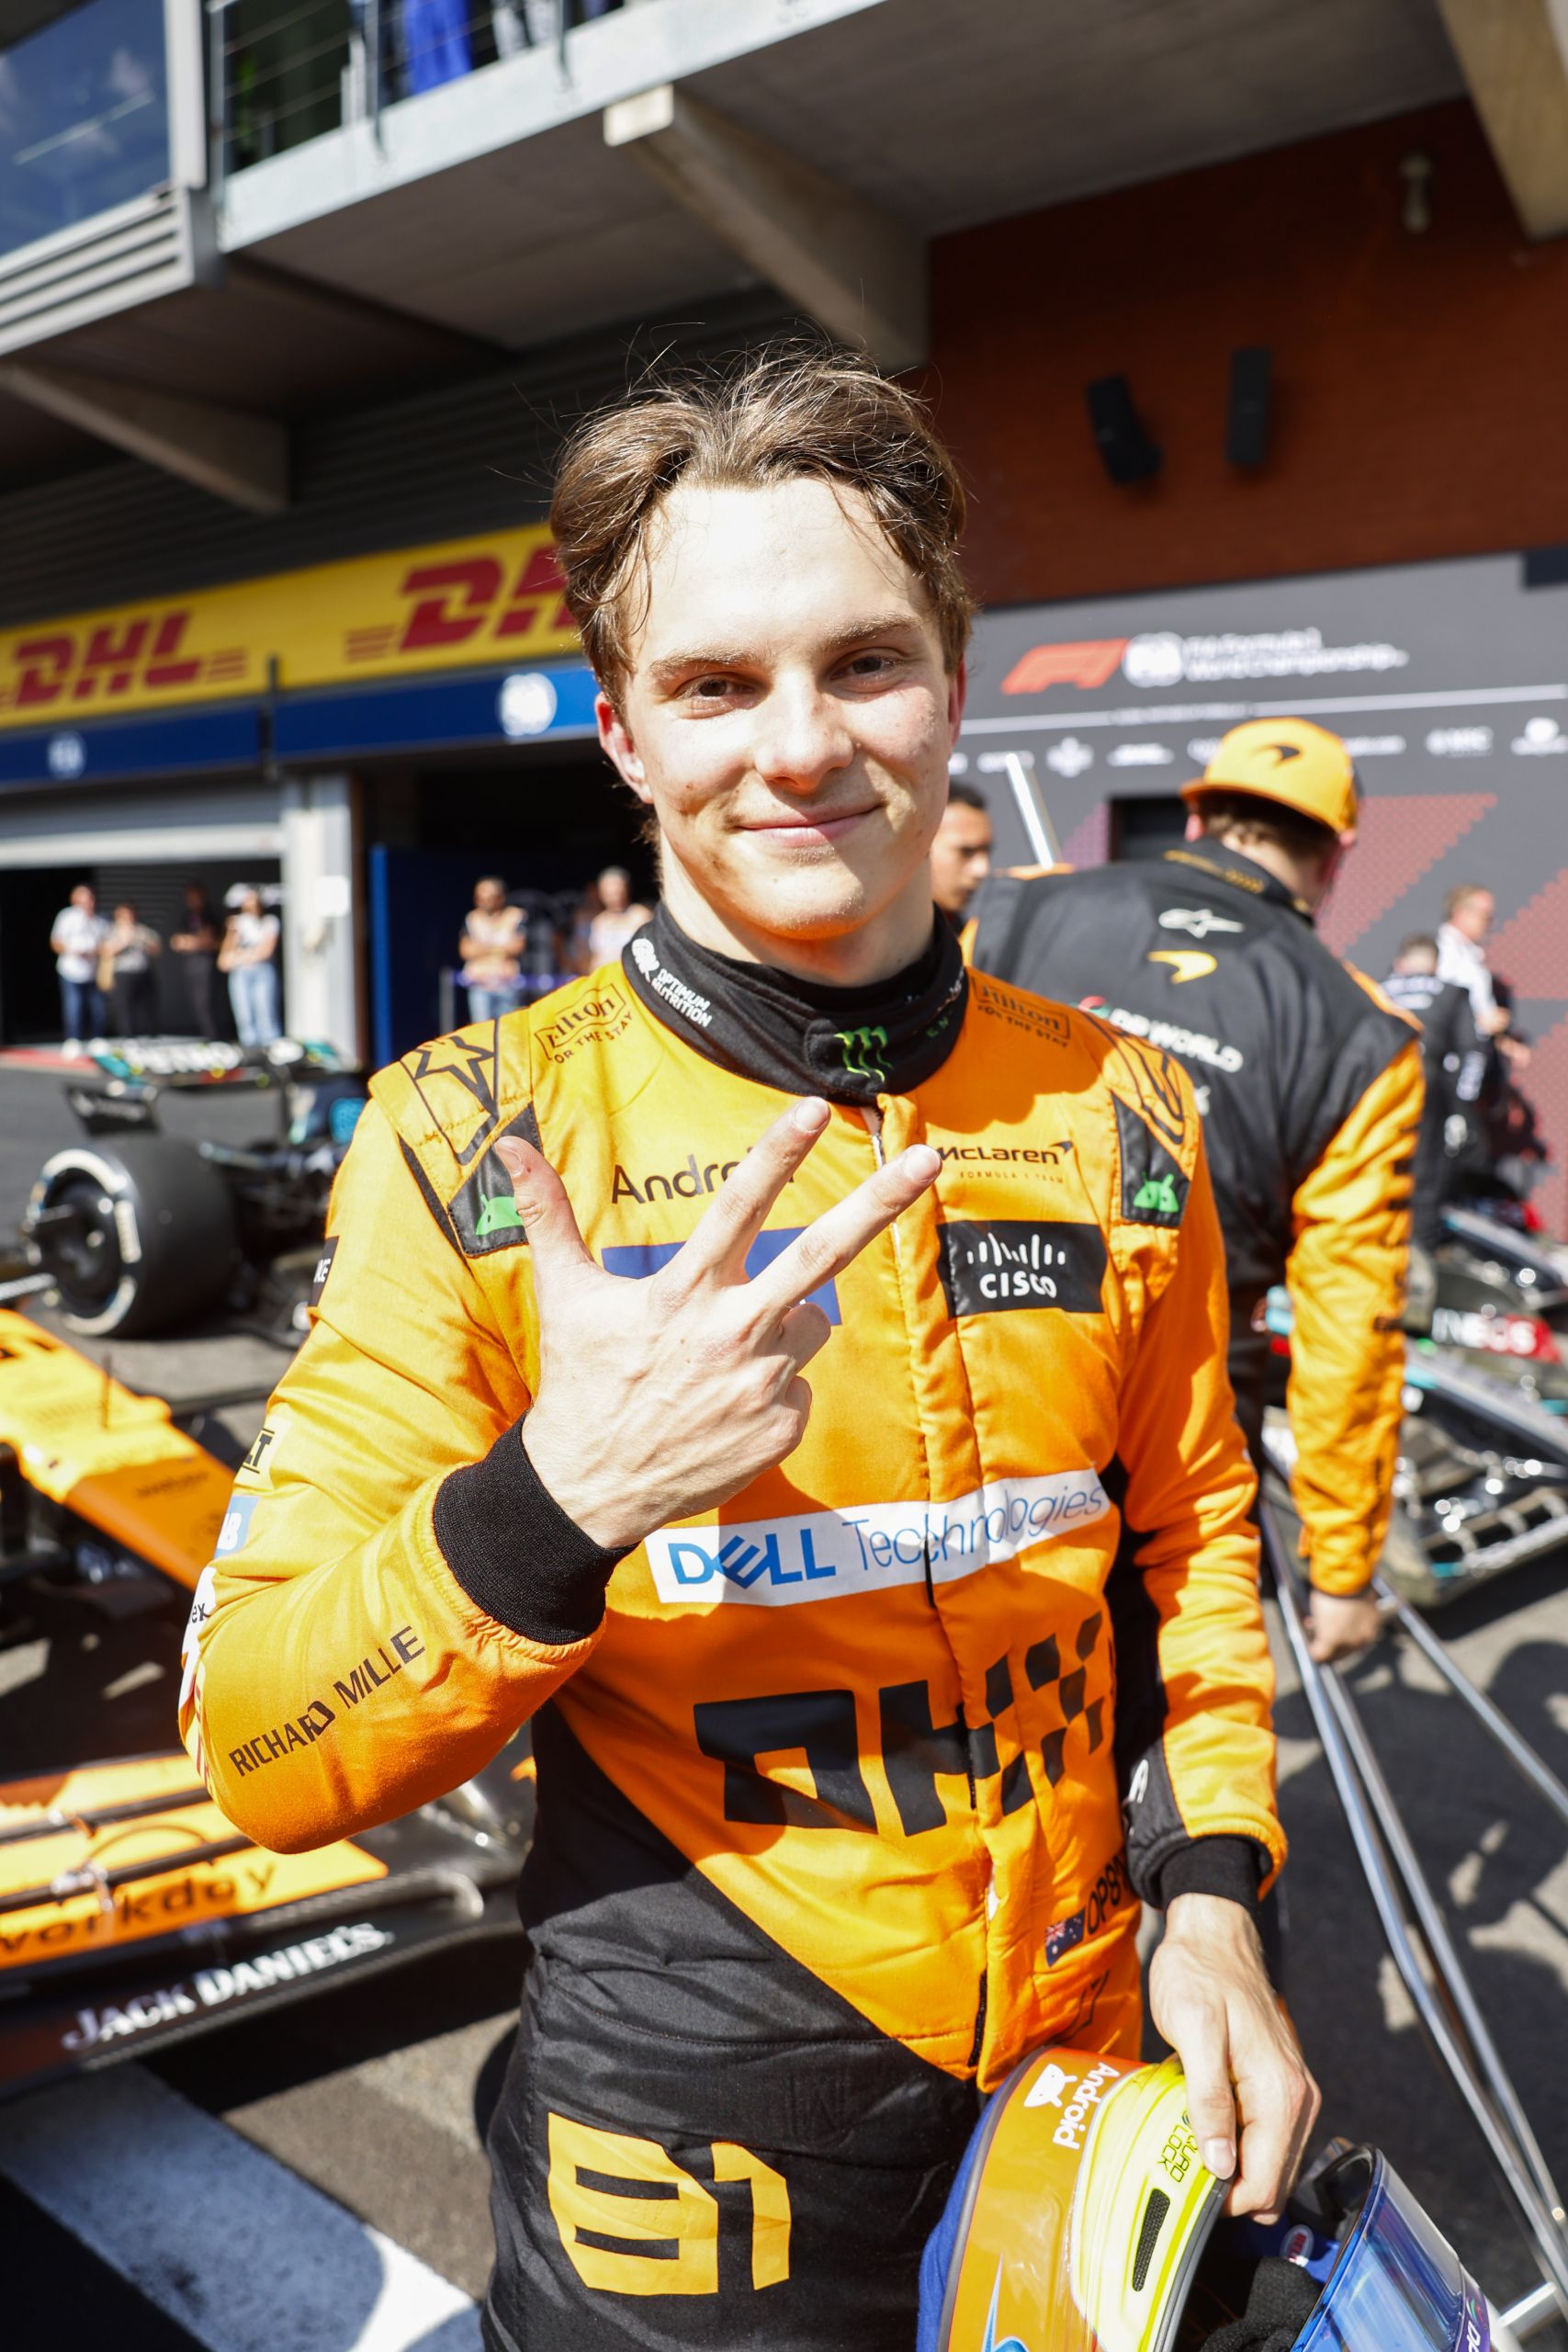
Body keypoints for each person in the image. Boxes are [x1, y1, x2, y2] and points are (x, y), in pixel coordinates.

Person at [180, 349, 1312, 2352]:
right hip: (696, 2121)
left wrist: (1213, 1891)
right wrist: (558, 1500)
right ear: (622, 734)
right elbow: (262, 1744)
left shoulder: (1128, 1108)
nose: (797, 746)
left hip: (1082, 2057)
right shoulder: (471, 1131)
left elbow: (1198, 1549)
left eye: (861, 664)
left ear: (952, 680)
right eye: (714, 685)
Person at [971, 719, 1424, 1665]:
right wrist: (1340, 1566)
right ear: (1336, 854)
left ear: (1198, 813)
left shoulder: (1020, 909)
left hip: (962, 1383)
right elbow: (1352, 1324)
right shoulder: (1361, 1035)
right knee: (1166, 1756)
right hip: (1176, 1451)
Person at [1381, 935, 1484, 1253]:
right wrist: (1462, 1109)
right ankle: (1418, 1270)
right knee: (1425, 1182)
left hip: (1376, 1088)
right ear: (1436, 965)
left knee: (1375, 1173)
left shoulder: (1377, 989)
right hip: (1426, 1087)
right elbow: (1474, 1053)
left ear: (1400, 963)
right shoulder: (1451, 992)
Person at [49, 882, 109, 1049]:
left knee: (98, 1007)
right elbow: (55, 943)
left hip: (93, 971)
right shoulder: (66, 917)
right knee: (74, 1006)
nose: (89, 902)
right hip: (71, 970)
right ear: (75, 899)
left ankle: (97, 1038)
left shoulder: (100, 920)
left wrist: (95, 951)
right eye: (85, 897)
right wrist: (74, 951)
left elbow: (107, 944)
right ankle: (73, 1039)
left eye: (91, 898)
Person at [219, 887, 281, 1046]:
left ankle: (270, 1048)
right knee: (245, 1016)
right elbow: (225, 958)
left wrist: (242, 956)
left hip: (262, 972)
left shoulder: (269, 922)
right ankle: (251, 1052)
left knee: (266, 1013)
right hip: (241, 974)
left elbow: (266, 951)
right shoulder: (238, 923)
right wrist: (232, 934)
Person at [460, 877, 529, 1019]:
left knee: (507, 1030)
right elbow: (465, 950)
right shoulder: (472, 918)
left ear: (500, 897)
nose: (483, 902)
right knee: (482, 1031)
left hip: (506, 982)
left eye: (489, 898)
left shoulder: (515, 915)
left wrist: (482, 948)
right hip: (480, 982)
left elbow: (517, 947)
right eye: (479, 898)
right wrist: (498, 949)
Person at [929, 777, 993, 923]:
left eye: (987, 851)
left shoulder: (973, 939)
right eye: (966, 852)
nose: (982, 870)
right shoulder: (871, 940)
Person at [104, 901, 162, 1038]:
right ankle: (129, 1036)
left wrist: (144, 941)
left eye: (131, 913)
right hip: (124, 973)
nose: (129, 917)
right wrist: (124, 941)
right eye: (125, 914)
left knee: (148, 1006)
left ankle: (151, 1034)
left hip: (143, 972)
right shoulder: (112, 930)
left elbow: (157, 949)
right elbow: (106, 951)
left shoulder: (143, 930)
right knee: (125, 1007)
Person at [169, 884, 221, 1035]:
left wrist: (190, 942)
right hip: (191, 966)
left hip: (207, 965)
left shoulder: (210, 914)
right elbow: (176, 941)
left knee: (206, 1003)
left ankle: (213, 1036)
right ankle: (206, 1034)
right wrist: (195, 941)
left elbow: (209, 940)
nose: (193, 900)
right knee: (196, 1003)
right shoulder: (187, 915)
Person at [584, 864, 649, 964]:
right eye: (610, 892)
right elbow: (595, 957)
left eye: (617, 890)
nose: (614, 896)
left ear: (626, 889)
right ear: (601, 893)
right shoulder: (599, 922)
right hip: (606, 976)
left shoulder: (640, 916)